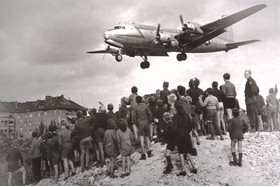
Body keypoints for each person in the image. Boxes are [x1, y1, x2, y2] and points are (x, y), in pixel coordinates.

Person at [173, 101, 197, 176]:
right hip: (186, 134)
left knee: (181, 152)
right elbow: (190, 126)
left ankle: (183, 170)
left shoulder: (175, 117)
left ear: (176, 108)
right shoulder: (186, 115)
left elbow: (174, 128)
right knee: (188, 152)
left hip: (179, 135)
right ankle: (194, 167)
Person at [134, 96, 153, 160]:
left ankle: (143, 154)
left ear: (136, 101)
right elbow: (150, 114)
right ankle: (149, 151)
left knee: (141, 138)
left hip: (140, 123)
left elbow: (134, 117)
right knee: (147, 137)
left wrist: (137, 123)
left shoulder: (135, 108)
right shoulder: (145, 106)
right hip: (146, 122)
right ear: (142, 100)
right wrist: (149, 120)